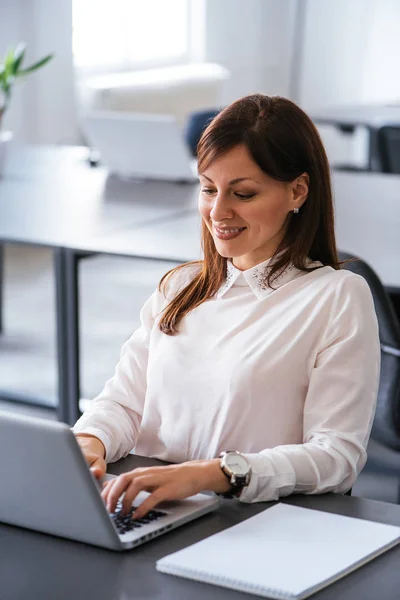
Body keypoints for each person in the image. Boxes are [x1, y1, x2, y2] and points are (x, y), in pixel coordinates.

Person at [73, 94, 380, 520]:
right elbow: (124, 404)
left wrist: (213, 474)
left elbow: (336, 457)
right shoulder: (180, 287)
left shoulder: (337, 297)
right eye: (208, 189)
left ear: (297, 191)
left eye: (243, 193)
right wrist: (91, 440)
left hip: (250, 519)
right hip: (150, 505)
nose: (218, 211)